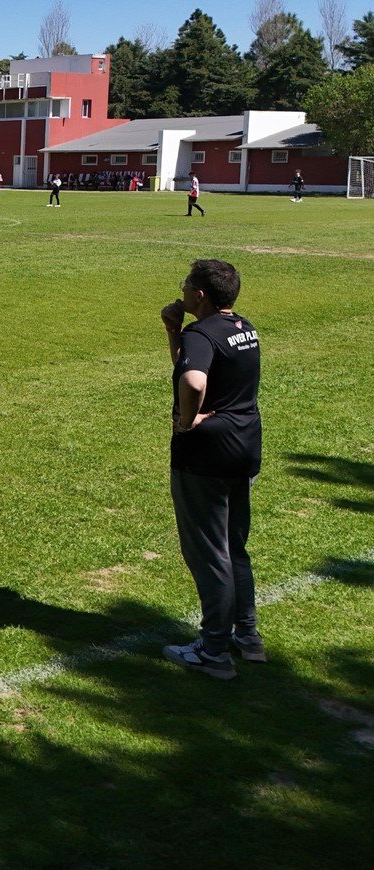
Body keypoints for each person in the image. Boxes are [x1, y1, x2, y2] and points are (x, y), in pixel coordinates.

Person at [160, 259, 263, 680]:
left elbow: (194, 381)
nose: (182, 290)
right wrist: (173, 332)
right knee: (235, 545)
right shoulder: (243, 328)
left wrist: (187, 421)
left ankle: (214, 652)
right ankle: (247, 636)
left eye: (186, 285)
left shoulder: (201, 333)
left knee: (209, 552)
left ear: (199, 295)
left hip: (206, 456)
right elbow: (192, 366)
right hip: (244, 446)